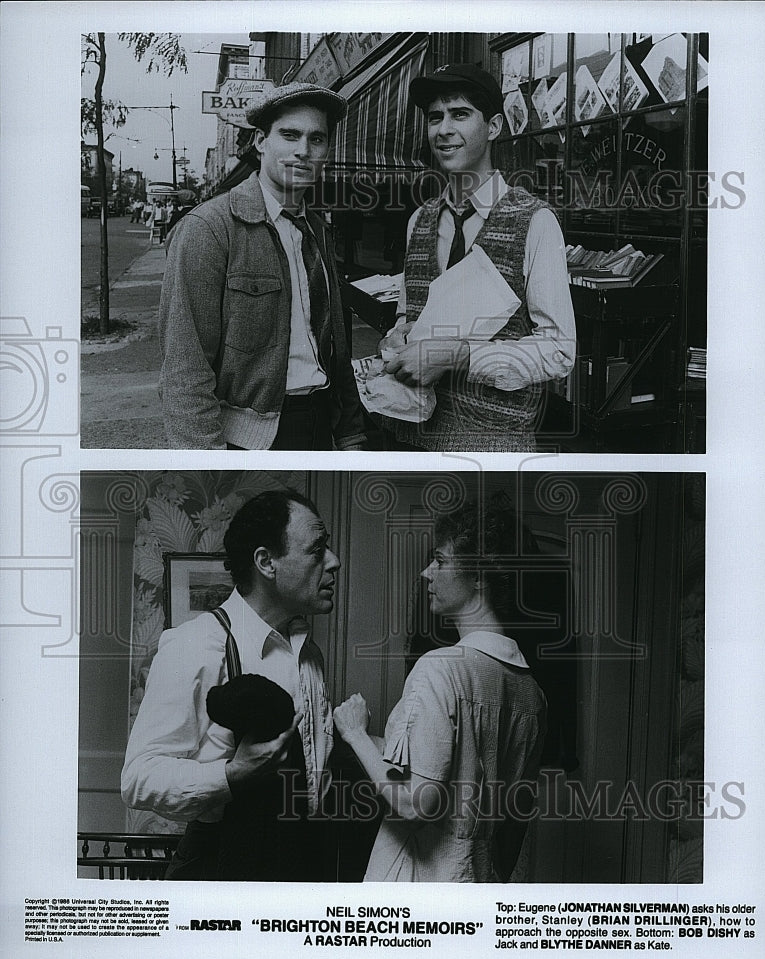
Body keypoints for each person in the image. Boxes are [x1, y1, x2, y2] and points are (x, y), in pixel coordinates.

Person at [121, 488, 340, 880]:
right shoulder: (195, 644)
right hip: (220, 868)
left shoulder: (309, 654)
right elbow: (139, 778)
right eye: (317, 550)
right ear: (266, 562)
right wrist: (232, 775)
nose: (334, 562)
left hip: (298, 863)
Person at [333, 499, 547, 882]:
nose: (426, 572)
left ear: (479, 576)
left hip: (421, 888)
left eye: (440, 561)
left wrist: (355, 735)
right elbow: (509, 818)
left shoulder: (440, 668)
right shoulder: (531, 692)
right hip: (482, 884)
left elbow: (418, 805)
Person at [158, 82, 366, 451]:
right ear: (260, 141)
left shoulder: (316, 229)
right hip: (246, 441)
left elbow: (336, 346)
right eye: (289, 135)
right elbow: (184, 370)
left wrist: (350, 434)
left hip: (320, 426)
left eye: (317, 139)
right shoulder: (210, 228)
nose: (303, 151)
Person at [380, 64, 576, 451]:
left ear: (494, 126)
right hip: (409, 438)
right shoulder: (419, 220)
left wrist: (456, 355)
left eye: (460, 114)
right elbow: (408, 315)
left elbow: (558, 352)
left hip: (491, 445)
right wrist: (398, 335)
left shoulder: (534, 221)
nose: (444, 129)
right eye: (435, 117)